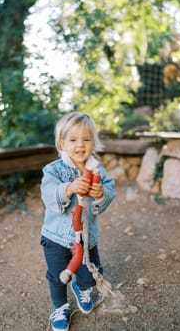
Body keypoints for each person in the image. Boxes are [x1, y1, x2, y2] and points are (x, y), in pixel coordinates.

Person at [40, 112, 116, 331]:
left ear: (93, 142)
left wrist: (101, 193)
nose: (80, 145)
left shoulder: (97, 170)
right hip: (55, 236)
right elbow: (48, 194)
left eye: (86, 139)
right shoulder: (54, 170)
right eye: (73, 140)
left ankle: (82, 289)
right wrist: (69, 188)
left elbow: (110, 193)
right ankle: (60, 306)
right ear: (62, 143)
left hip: (86, 236)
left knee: (92, 272)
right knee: (57, 276)